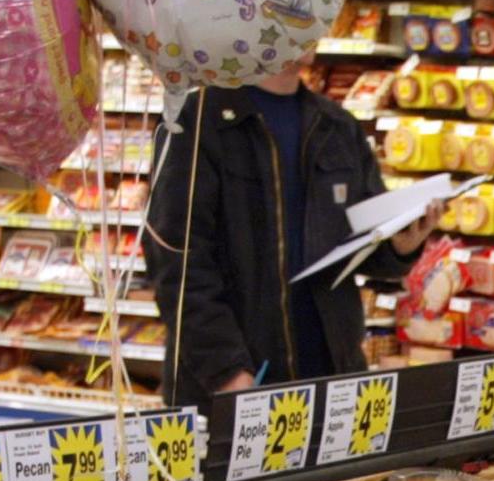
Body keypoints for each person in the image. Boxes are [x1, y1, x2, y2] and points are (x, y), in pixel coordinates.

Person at [142, 59, 442, 407]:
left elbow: (363, 247)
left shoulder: (337, 126)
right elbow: (176, 264)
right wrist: (226, 372)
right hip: (235, 386)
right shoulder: (196, 122)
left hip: (331, 384)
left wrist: (401, 247)